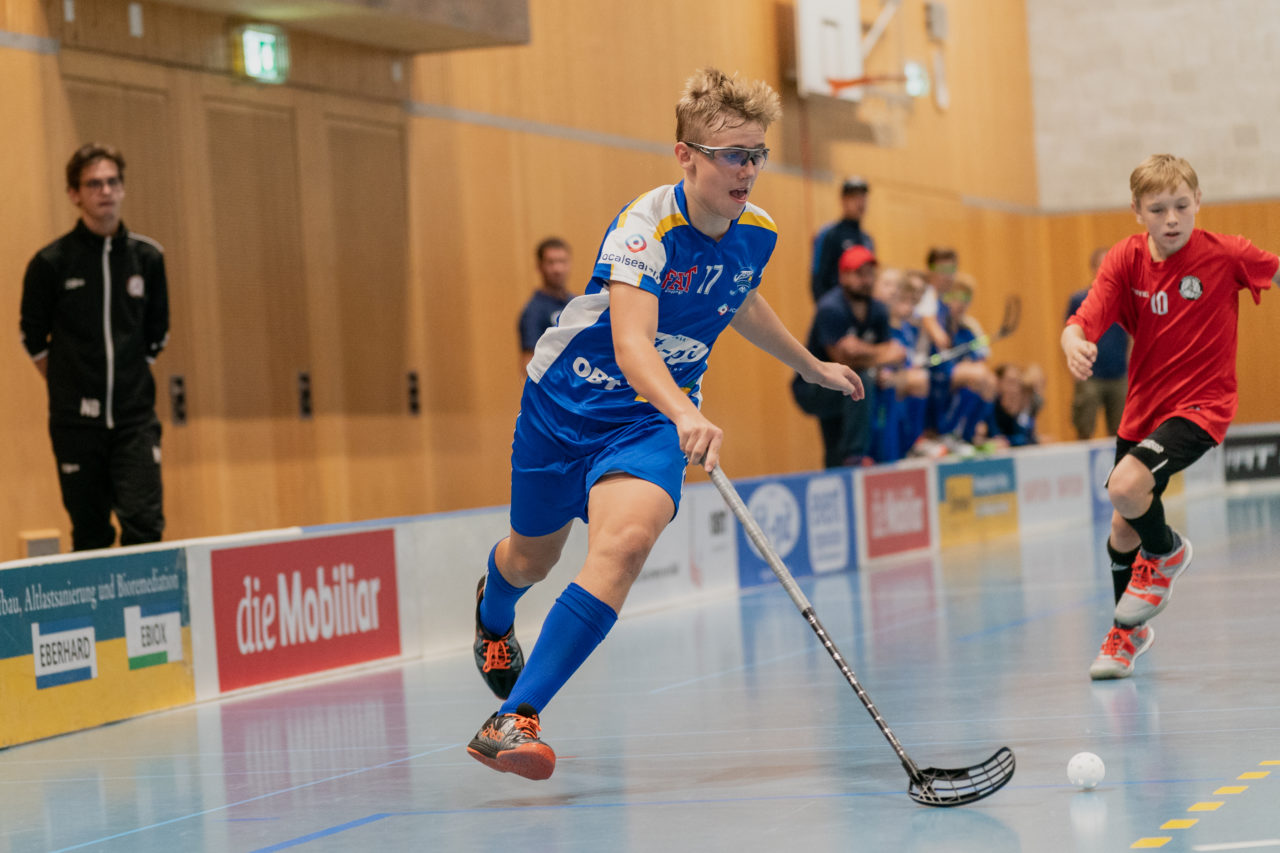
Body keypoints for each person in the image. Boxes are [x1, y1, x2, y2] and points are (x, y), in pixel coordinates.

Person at [466, 68, 863, 780]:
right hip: (566, 408)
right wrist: (690, 411)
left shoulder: (759, 233)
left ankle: (514, 717)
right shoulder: (644, 227)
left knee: (624, 544)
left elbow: (740, 300)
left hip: (646, 422)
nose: (748, 169)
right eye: (733, 154)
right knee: (532, 559)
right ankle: (493, 614)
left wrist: (810, 365)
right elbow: (631, 343)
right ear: (686, 155)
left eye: (757, 153)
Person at [1062, 154, 1280, 680]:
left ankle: (1167, 552)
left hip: (1203, 406)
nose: (1173, 219)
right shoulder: (1125, 260)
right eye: (1158, 209)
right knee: (1121, 525)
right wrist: (1073, 342)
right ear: (1137, 210)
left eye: (1182, 206)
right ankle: (1125, 637)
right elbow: (1084, 319)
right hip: (1143, 410)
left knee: (1124, 487)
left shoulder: (1227, 255)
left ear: (1198, 202)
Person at [19, 143, 169, 552]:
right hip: (75, 424)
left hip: (133, 419)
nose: (105, 191)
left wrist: (124, 378)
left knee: (144, 523)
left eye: (112, 182)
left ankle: (150, 616)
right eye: (94, 184)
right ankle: (103, 617)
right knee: (90, 532)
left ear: (122, 188)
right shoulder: (51, 263)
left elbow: (158, 333)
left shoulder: (148, 258)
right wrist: (72, 381)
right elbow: (32, 338)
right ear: (74, 194)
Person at [792, 245, 903, 468]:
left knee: (834, 445)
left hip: (842, 386)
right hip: (812, 387)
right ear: (843, 276)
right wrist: (881, 355)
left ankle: (852, 462)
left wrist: (862, 351)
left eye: (870, 273)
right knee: (859, 378)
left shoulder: (879, 310)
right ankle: (856, 456)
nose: (867, 280)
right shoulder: (830, 308)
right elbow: (841, 358)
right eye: (859, 273)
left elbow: (896, 353)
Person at [1066, 247, 1128, 439]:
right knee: (1084, 427)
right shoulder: (1079, 299)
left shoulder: (1125, 298)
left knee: (1122, 431)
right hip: (1090, 374)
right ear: (1093, 268)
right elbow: (1070, 334)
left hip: (1119, 374)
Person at [810, 176, 875, 301]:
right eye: (854, 197)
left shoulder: (867, 239)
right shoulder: (828, 234)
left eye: (863, 197)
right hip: (835, 309)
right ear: (843, 200)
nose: (860, 202)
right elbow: (818, 278)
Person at [517, 237, 574, 371]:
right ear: (539, 266)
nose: (557, 269)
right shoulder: (533, 311)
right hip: (554, 387)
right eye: (551, 262)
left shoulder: (577, 303)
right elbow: (528, 362)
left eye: (562, 261)